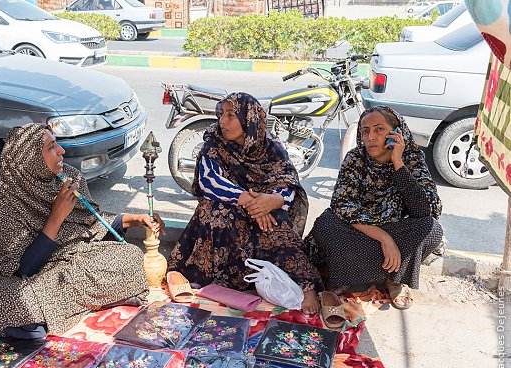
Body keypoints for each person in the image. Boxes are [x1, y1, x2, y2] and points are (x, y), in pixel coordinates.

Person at [0, 123, 164, 338]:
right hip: (34, 276)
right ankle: (89, 302)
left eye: (57, 144)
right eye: (51, 147)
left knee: (130, 256)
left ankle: (51, 314)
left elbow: (91, 223)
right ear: (29, 158)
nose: (62, 151)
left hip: (75, 261)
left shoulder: (68, 177)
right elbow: (24, 269)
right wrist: (57, 216)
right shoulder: (3, 206)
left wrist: (135, 219)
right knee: (12, 298)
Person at [167, 92, 322, 314]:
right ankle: (223, 281)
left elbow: (289, 182)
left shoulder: (272, 148)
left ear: (249, 119)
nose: (223, 121)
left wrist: (273, 200)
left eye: (231, 115)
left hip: (264, 208)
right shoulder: (213, 145)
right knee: (216, 211)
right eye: (222, 114)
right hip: (232, 206)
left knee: (277, 220)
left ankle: (307, 286)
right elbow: (210, 182)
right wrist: (251, 201)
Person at [304, 106, 443, 310]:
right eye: (365, 131)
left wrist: (398, 163)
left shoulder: (412, 159)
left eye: (379, 129)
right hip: (359, 229)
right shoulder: (355, 158)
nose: (370, 137)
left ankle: (394, 280)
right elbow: (342, 206)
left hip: (395, 228)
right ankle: (346, 274)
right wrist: (384, 239)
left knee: (431, 229)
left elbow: (426, 210)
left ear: (397, 133)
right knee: (326, 225)